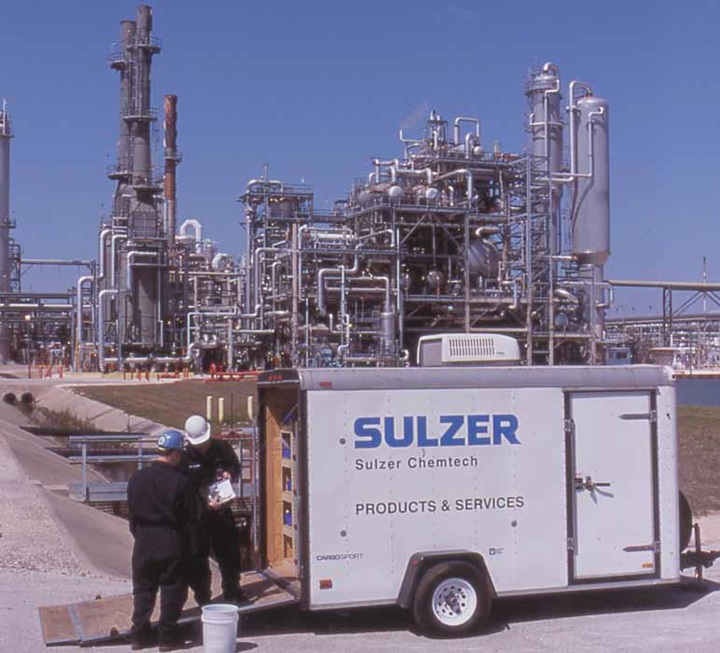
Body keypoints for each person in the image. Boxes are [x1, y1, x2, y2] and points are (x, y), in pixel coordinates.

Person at [127, 429, 202, 652]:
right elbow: (193, 518)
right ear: (176, 454)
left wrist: (140, 535)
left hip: (143, 540)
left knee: (143, 590)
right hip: (170, 540)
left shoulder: (137, 478)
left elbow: (130, 513)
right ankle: (167, 639)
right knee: (172, 589)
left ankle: (139, 636)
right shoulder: (181, 482)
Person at [181, 414, 246, 605]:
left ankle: (232, 590)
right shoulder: (185, 458)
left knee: (230, 553)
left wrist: (230, 473)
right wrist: (203, 504)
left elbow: (235, 464)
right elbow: (184, 490)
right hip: (199, 515)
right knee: (198, 557)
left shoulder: (221, 448)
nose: (202, 447)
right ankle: (203, 596)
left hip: (222, 512)